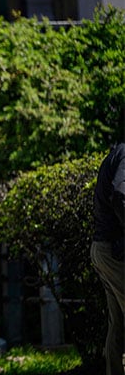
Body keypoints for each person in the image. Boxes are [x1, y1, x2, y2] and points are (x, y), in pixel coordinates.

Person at [92, 142, 125, 375]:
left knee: (118, 325)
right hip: (114, 253)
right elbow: (120, 195)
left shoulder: (116, 154)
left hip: (102, 250)